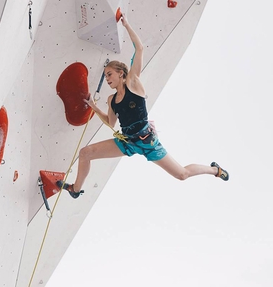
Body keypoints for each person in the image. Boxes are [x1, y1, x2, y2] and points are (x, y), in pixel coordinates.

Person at [57, 15, 229, 199]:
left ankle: (214, 170)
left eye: (109, 74)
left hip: (148, 142)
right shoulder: (111, 100)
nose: (107, 79)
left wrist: (127, 24)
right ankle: (75, 189)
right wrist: (93, 107)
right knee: (85, 153)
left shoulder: (133, 83)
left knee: (182, 174)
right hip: (128, 142)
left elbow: (139, 48)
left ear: (121, 73)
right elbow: (110, 122)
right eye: (106, 76)